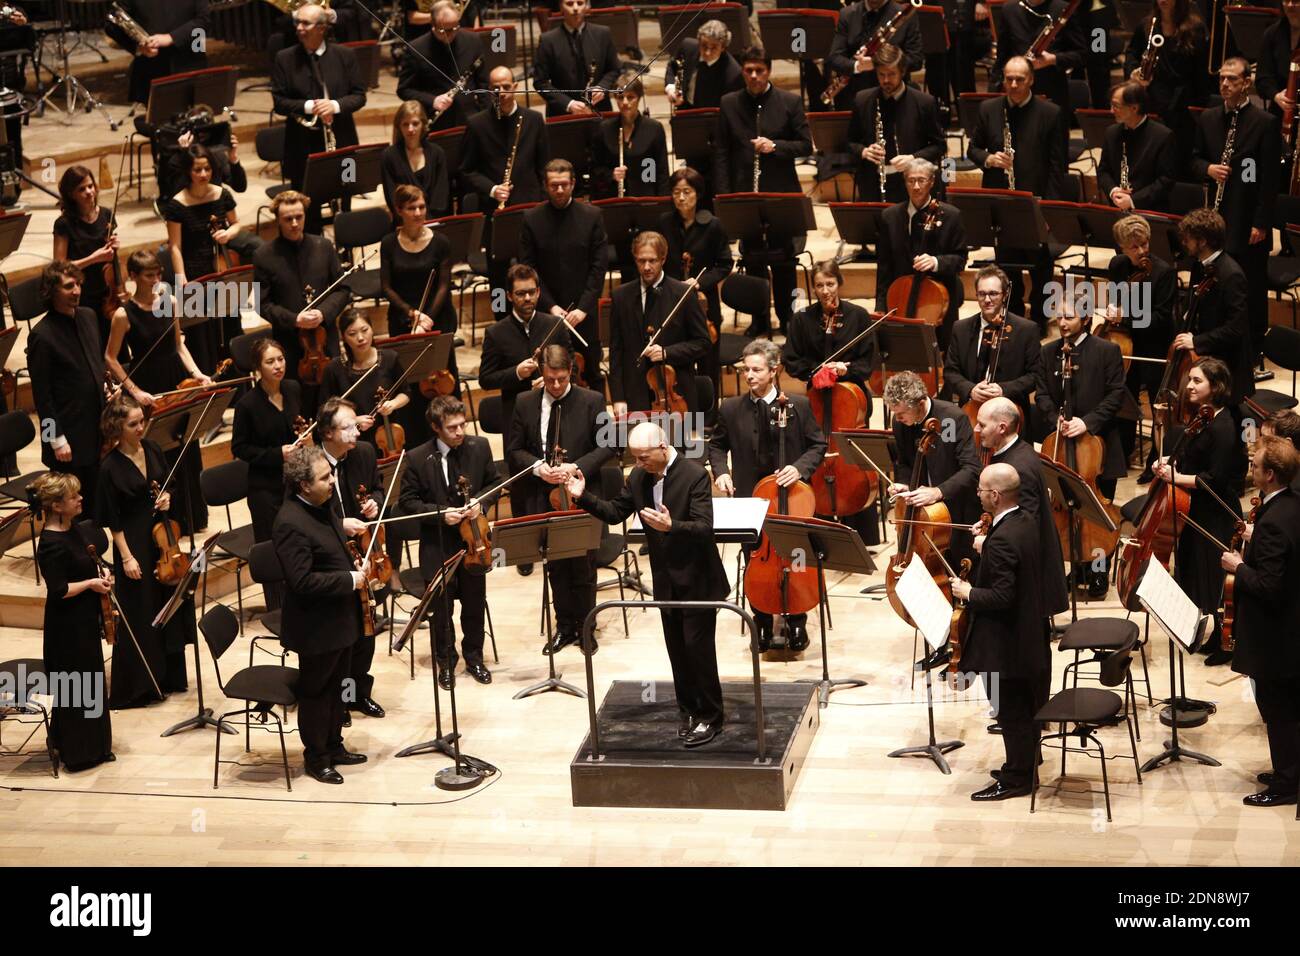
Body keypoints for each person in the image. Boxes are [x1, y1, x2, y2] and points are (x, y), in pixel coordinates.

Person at [567, 422, 731, 747]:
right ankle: (688, 710)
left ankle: (711, 717)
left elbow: (704, 528)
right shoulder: (640, 477)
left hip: (698, 579)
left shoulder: (694, 475)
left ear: (662, 446)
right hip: (666, 580)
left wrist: (673, 526)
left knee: (698, 651)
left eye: (643, 457)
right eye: (636, 458)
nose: (639, 463)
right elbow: (615, 513)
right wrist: (582, 496)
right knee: (677, 651)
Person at [710, 339, 826, 651]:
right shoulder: (731, 408)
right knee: (755, 558)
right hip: (750, 497)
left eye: (756, 369)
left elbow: (818, 444)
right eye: (745, 369)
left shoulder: (798, 405)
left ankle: (796, 618)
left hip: (793, 500)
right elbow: (717, 445)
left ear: (773, 371)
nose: (748, 375)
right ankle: (760, 619)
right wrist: (721, 470)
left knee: (796, 555)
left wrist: (799, 469)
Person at [950, 463, 1048, 801]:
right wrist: (986, 542)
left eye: (980, 490)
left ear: (994, 495)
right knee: (1023, 708)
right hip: (1030, 633)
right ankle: (1026, 762)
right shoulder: (1024, 522)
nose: (977, 494)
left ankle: (1019, 778)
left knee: (1012, 711)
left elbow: (1003, 596)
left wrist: (968, 593)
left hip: (1008, 644)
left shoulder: (1003, 539)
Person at [506, 345, 614, 653]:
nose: (555, 386)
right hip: (543, 494)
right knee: (555, 564)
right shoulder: (524, 402)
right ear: (541, 372)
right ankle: (565, 627)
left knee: (584, 565)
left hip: (582, 494)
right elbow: (514, 450)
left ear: (571, 373)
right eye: (550, 379)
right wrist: (540, 469)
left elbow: (607, 447)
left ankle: (586, 627)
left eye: (562, 379)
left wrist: (575, 467)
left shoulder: (592, 400)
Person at [273, 445, 368, 784]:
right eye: (325, 477)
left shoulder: (323, 505)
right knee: (317, 692)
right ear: (303, 485)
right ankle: (316, 756)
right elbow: (301, 581)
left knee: (339, 684)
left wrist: (350, 553)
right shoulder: (289, 523)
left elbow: (328, 548)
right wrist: (349, 579)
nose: (332, 481)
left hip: (340, 618)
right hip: (316, 627)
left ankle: (334, 744)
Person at [97, 395, 194, 705]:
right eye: (133, 424)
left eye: (142, 421)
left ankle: (170, 676)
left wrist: (167, 497)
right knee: (142, 611)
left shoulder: (151, 448)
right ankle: (140, 685)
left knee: (168, 603)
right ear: (117, 427)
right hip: (134, 543)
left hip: (162, 538)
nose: (141, 427)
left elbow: (169, 483)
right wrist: (126, 557)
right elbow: (112, 520)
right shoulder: (109, 467)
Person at [104, 250, 209, 535]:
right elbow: (110, 358)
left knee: (184, 444)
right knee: (161, 453)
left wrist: (196, 373)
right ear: (133, 276)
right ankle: (169, 524)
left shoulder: (170, 302)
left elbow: (178, 345)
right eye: (149, 275)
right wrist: (135, 392)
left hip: (174, 381)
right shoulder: (124, 315)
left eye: (158, 274)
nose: (156, 280)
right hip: (146, 386)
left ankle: (192, 518)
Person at [1151, 358, 1246, 666]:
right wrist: (1167, 461)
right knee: (1193, 571)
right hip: (1192, 508)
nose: (1189, 385)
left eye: (1197, 381)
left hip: (1215, 511)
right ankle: (1206, 631)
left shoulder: (1225, 426)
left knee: (1213, 577)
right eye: (1189, 379)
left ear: (1214, 387)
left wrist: (1174, 477)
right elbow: (1190, 456)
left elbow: (1213, 480)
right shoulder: (1203, 418)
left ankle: (1226, 641)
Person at [1221, 435, 1300, 807]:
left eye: (1254, 466)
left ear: (1269, 474)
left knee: (1279, 710)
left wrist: (1239, 565)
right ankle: (1290, 769)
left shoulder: (1273, 522)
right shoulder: (1291, 506)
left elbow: (1269, 585)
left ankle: (1287, 784)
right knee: (1287, 708)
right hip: (1290, 629)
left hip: (1276, 636)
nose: (1249, 469)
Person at [400, 396, 499, 686]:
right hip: (437, 543)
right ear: (435, 427)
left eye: (462, 425)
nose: (459, 432)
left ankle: (474, 658)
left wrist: (481, 503)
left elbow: (494, 482)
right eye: (452, 427)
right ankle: (445, 661)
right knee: (441, 609)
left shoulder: (478, 446)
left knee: (473, 603)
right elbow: (407, 502)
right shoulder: (418, 458)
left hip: (475, 541)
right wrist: (440, 514)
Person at [783, 259, 882, 546]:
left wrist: (844, 371)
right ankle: (822, 523)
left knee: (854, 460)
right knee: (816, 453)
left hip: (852, 401)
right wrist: (815, 372)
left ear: (839, 283)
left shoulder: (858, 317)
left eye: (830, 284)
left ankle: (863, 532)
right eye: (819, 285)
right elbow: (791, 360)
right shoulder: (802, 320)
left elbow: (868, 362)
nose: (825, 291)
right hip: (816, 400)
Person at [714, 47, 811, 336]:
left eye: (759, 70)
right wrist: (725, 198)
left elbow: (806, 145)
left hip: (781, 194)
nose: (754, 76)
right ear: (742, 71)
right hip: (745, 194)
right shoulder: (729, 103)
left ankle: (787, 318)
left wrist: (776, 146)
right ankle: (758, 320)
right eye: (748, 70)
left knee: (784, 261)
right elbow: (721, 151)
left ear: (769, 71)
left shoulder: (789, 102)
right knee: (753, 258)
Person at [1191, 57, 1279, 373]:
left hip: (1246, 220)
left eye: (1232, 79)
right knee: (1216, 286)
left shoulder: (1264, 122)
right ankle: (1218, 349)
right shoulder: (1208, 118)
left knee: (1250, 289)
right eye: (1222, 79)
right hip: (1214, 218)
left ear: (1246, 83)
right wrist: (1208, 169)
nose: (1225, 84)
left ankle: (1253, 354)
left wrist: (1261, 222)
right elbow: (1193, 160)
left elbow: (1268, 181)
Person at [967, 56, 1064, 328]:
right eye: (1008, 78)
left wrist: (1050, 210)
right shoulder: (988, 109)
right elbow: (972, 149)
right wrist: (989, 159)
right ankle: (1014, 317)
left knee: (1042, 268)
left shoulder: (1050, 113)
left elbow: (1058, 167)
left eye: (1019, 79)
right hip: (1001, 203)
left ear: (1031, 79)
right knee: (1007, 266)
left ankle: (1041, 320)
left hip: (1035, 204)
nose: (1013, 84)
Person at [33, 472, 115, 773]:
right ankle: (77, 754)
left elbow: (89, 562)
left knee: (92, 681)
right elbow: (59, 589)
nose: (81, 499)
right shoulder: (50, 543)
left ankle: (98, 747)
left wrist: (103, 574)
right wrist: (92, 583)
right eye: (73, 496)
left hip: (83, 621)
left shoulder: (75, 529)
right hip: (65, 629)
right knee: (75, 689)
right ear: (57, 505)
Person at [314, 398, 387, 720]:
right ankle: (339, 700)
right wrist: (338, 525)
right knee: (342, 636)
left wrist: (374, 502)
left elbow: (378, 489)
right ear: (328, 433)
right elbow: (297, 517)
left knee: (367, 630)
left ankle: (358, 695)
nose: (357, 431)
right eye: (348, 427)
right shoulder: (310, 464)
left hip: (365, 552)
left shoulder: (365, 453)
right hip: (329, 559)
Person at [252, 190, 351, 412]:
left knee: (334, 405)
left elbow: (343, 290)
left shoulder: (323, 246)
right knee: (300, 408)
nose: (295, 223)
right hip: (291, 347)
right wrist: (295, 319)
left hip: (325, 342)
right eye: (288, 219)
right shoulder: (263, 256)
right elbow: (261, 303)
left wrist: (323, 312)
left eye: (299, 217)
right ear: (278, 219)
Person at [270, 4, 366, 233]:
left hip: (342, 143)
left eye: (306, 23)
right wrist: (311, 106)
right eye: (298, 23)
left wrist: (334, 105)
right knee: (307, 210)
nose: (299, 28)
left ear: (322, 28)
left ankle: (346, 254)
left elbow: (359, 96)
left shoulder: (345, 55)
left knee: (346, 201)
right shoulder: (284, 58)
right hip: (301, 148)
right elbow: (279, 103)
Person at [519, 160, 607, 392]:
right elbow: (529, 268)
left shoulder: (592, 215)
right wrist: (550, 306)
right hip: (548, 313)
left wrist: (584, 308)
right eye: (554, 185)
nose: (559, 190)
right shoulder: (532, 218)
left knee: (592, 371)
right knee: (550, 373)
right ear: (545, 186)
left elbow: (599, 267)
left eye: (564, 184)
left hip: (583, 312)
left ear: (573, 184)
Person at [974, 398, 1070, 611]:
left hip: (1032, 581)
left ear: (1001, 427)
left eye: (982, 424)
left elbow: (1025, 526)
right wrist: (988, 523)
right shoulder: (1015, 451)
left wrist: (988, 542)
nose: (976, 428)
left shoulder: (1019, 467)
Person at [232, 338, 303, 612]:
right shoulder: (247, 405)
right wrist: (277, 454)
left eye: (281, 359)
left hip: (295, 481)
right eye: (270, 361)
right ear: (257, 368)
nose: (278, 366)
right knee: (273, 546)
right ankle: (278, 609)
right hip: (265, 489)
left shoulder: (293, 389)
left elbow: (300, 426)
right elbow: (239, 448)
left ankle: (300, 603)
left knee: (297, 542)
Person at [608, 230, 711, 420]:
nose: (646, 267)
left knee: (680, 449)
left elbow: (703, 342)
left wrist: (668, 353)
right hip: (635, 393)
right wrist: (618, 397)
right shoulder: (620, 296)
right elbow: (616, 350)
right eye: (641, 261)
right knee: (638, 448)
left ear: (663, 259)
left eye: (652, 260)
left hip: (676, 394)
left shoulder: (683, 294)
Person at [27, 262, 107, 499]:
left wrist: (103, 387)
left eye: (79, 284)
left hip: (96, 429)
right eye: (69, 286)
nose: (77, 291)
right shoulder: (41, 336)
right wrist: (56, 439)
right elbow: (42, 398)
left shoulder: (89, 317)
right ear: (51, 292)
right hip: (68, 440)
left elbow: (94, 364)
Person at [884, 370, 982, 563]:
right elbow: (904, 462)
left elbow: (971, 468)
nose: (898, 418)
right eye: (895, 413)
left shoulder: (949, 420)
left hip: (955, 509)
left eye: (902, 413)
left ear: (920, 404)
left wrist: (938, 491)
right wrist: (904, 483)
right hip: (922, 512)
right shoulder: (900, 423)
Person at [1104, 215, 1176, 474]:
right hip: (1125, 345)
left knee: (1158, 408)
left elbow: (1160, 318)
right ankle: (1122, 454)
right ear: (1122, 248)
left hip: (1155, 346)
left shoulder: (1164, 272)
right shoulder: (1117, 265)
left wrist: (1127, 316)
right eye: (1134, 247)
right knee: (1124, 399)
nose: (1142, 250)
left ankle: (1156, 462)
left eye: (1144, 244)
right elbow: (1116, 297)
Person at [161, 144, 242, 370]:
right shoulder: (177, 204)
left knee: (230, 324)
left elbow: (236, 224)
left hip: (221, 268)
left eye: (207, 169)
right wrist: (181, 278)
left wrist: (228, 233)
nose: (203, 174)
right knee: (200, 333)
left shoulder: (222, 194)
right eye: (197, 170)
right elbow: (175, 246)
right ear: (188, 171)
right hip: (194, 270)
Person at [478, 264, 573, 454]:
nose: (527, 298)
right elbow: (485, 379)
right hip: (517, 421)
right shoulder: (495, 333)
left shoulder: (555, 325)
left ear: (538, 292)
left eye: (531, 292)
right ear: (509, 296)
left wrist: (552, 382)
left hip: (558, 412)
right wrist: (516, 374)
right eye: (521, 293)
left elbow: (574, 366)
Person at [873, 158, 966, 345]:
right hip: (900, 297)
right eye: (911, 180)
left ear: (931, 181)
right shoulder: (889, 217)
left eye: (921, 180)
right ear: (905, 181)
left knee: (940, 350)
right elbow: (884, 265)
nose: (916, 186)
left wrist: (936, 262)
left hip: (938, 301)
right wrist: (881, 305)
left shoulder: (951, 216)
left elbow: (960, 259)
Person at [844, 43, 946, 204]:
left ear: (903, 72)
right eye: (881, 74)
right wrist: (863, 151)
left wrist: (913, 158)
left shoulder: (924, 102)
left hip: (913, 185)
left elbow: (939, 146)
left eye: (891, 74)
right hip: (873, 185)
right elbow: (850, 142)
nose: (886, 80)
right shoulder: (862, 100)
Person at [943, 265, 1042, 428]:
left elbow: (1036, 375)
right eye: (982, 294)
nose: (987, 299)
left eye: (993, 293)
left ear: (1005, 295)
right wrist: (970, 390)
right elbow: (950, 371)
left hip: (1011, 417)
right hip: (970, 415)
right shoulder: (960, 328)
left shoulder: (1027, 330)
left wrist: (1003, 390)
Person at [1174, 208, 1253, 406]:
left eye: (1189, 238)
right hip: (1207, 361)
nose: (1184, 243)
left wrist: (1197, 341)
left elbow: (1236, 328)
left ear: (1202, 241)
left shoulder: (1231, 275)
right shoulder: (1199, 265)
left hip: (1226, 369)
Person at [1123, 0, 1211, 169]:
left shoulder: (1195, 28)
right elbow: (1131, 53)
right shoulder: (1147, 25)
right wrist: (1134, 71)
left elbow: (1201, 72)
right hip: (1153, 99)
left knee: (1179, 157)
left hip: (1183, 102)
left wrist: (1200, 107)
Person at [377, 185, 456, 362]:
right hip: (403, 316)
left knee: (442, 372)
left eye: (422, 207)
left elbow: (444, 286)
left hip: (436, 315)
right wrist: (412, 314)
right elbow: (386, 287)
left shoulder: (441, 242)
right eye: (411, 208)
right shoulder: (388, 243)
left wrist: (426, 320)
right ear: (399, 210)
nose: (418, 213)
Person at [320, 311, 410, 455]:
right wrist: (353, 420)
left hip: (389, 435)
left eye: (364, 330)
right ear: (343, 336)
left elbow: (405, 393)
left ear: (372, 329)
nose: (360, 338)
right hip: (353, 440)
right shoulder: (334, 368)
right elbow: (325, 410)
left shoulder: (390, 358)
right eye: (352, 333)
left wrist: (393, 404)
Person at [395, 1, 488, 131]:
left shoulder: (473, 41)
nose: (450, 35)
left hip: (471, 120)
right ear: (432, 25)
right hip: (436, 123)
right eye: (444, 30)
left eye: (455, 28)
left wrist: (487, 118)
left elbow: (484, 85)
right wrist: (433, 100)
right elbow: (404, 90)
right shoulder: (416, 49)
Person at [52, 165, 116, 345]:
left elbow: (112, 255)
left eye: (90, 186)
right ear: (71, 194)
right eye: (82, 189)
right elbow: (59, 267)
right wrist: (94, 258)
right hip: (82, 294)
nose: (89, 192)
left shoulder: (106, 215)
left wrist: (115, 246)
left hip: (108, 293)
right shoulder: (64, 224)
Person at [994, 0, 1086, 123]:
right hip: (1016, 92)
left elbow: (1081, 55)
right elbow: (1002, 57)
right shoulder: (1009, 9)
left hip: (1052, 92)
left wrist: (1052, 59)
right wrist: (994, 90)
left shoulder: (1063, 9)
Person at [103, 0, 210, 105]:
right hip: (151, 68)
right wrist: (138, 47)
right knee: (158, 120)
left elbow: (203, 20)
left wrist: (171, 38)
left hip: (191, 63)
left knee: (197, 118)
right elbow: (112, 23)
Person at [532, 0, 621, 118]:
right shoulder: (548, 40)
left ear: (587, 6)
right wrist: (568, 104)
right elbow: (540, 82)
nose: (575, 8)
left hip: (599, 109)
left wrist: (602, 87)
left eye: (580, 3)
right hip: (562, 113)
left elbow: (614, 69)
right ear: (561, 7)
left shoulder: (603, 34)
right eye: (569, 4)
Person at [1097, 81, 1177, 212]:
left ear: (1134, 108)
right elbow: (1103, 170)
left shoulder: (1163, 136)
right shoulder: (1111, 132)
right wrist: (1113, 190)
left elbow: (1166, 181)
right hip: (1117, 208)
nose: (1111, 111)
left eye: (1116, 106)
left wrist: (1133, 201)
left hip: (1149, 210)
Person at [826, 0, 924, 105]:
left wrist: (877, 63)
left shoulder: (905, 15)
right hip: (855, 95)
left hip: (894, 95)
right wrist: (857, 66)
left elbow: (916, 59)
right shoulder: (847, 14)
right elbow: (834, 58)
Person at [589, 78, 669, 201]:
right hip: (613, 198)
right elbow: (595, 168)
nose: (625, 102)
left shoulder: (654, 128)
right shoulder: (604, 129)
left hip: (646, 198)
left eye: (630, 97)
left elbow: (661, 172)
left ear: (639, 98)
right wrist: (611, 175)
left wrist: (662, 203)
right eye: (620, 98)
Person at [380, 102, 451, 221]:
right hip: (404, 223)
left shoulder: (437, 153)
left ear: (423, 124)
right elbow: (392, 198)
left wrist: (427, 222)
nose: (410, 129)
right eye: (405, 124)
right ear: (399, 127)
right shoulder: (389, 156)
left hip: (434, 221)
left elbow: (441, 195)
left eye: (415, 123)